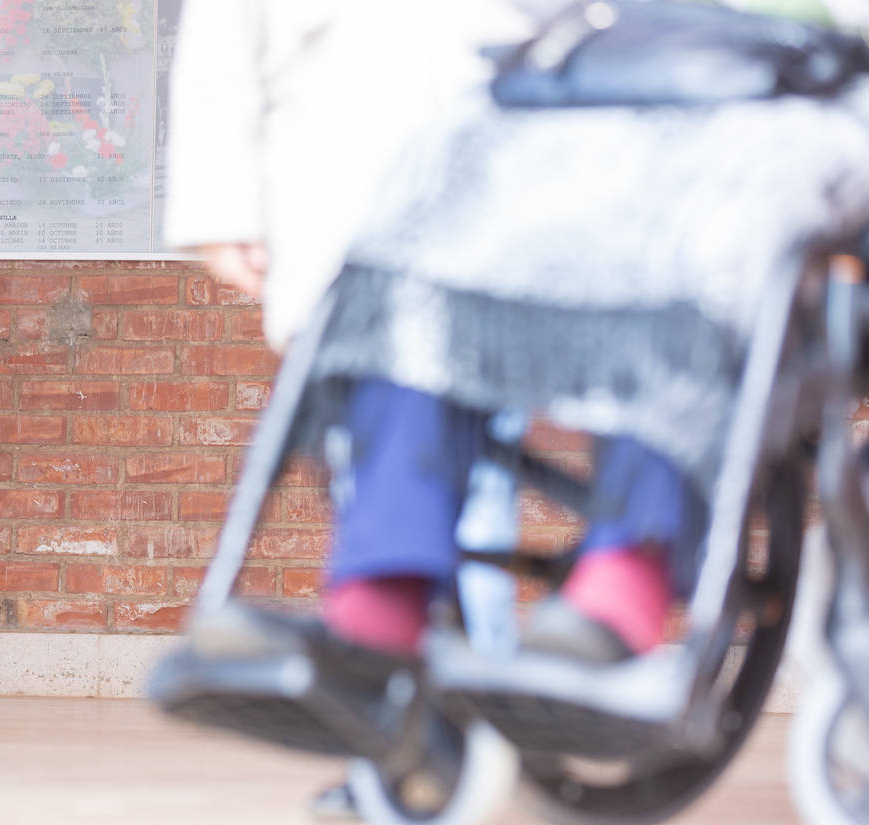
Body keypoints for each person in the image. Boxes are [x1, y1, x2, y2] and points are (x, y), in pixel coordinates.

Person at [164, 0, 686, 665]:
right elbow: (221, 43)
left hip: (537, 168)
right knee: (395, 445)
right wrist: (222, 205)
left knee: (476, 485)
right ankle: (410, 687)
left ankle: (462, 705)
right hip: (350, 182)